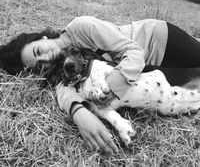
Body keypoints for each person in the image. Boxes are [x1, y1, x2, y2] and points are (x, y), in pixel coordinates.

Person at [1, 16, 200, 153]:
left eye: (38, 51)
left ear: (42, 38)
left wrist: (113, 87)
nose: (46, 58)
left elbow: (134, 51)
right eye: (39, 66)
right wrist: (79, 112)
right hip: (154, 70)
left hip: (159, 40)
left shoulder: (81, 27)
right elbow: (65, 93)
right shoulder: (61, 71)